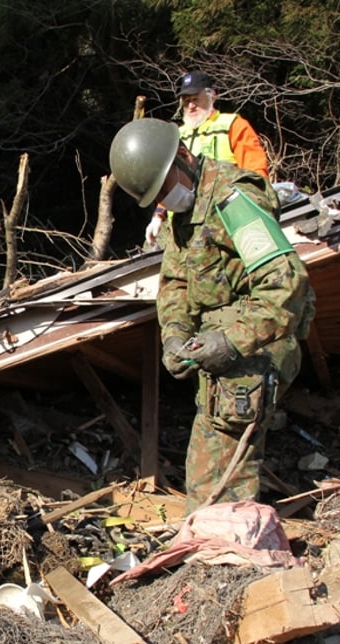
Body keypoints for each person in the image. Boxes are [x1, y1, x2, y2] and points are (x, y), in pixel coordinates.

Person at [110, 118, 314, 512]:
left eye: (166, 189)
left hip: (259, 344)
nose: (166, 201)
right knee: (208, 452)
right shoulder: (182, 215)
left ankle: (224, 547)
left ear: (184, 158)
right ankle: (212, 535)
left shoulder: (234, 200)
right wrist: (172, 335)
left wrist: (231, 340)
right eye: (157, 197)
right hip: (219, 344)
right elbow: (174, 283)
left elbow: (285, 286)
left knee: (220, 456)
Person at [145, 70, 270, 248]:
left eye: (195, 99)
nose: (191, 106)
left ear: (212, 96)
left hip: (227, 218)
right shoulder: (176, 135)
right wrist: (158, 215)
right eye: (186, 101)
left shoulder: (232, 125)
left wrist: (255, 211)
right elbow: (167, 181)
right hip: (183, 228)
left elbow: (257, 174)